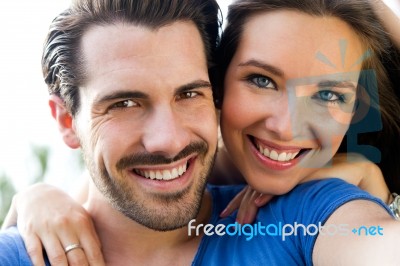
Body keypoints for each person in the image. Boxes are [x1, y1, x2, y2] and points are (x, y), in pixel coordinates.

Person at [2, 0, 400, 265]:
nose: (169, 140)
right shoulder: (28, 248)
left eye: (188, 93)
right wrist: (37, 197)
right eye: (124, 103)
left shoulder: (312, 210)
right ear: (66, 121)